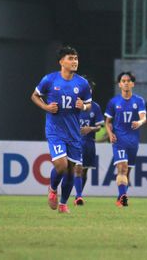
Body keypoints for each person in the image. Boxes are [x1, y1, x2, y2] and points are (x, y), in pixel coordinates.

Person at [31, 46, 92, 214]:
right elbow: (34, 96)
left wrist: (84, 105)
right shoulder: (50, 80)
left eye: (76, 58)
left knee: (72, 172)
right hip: (55, 131)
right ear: (61, 62)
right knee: (61, 165)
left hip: (73, 133)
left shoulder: (82, 83)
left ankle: (63, 204)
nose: (75, 61)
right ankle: (52, 189)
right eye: (71, 58)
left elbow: (89, 104)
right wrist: (46, 106)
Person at [104, 72, 146, 208]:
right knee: (122, 168)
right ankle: (123, 196)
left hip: (133, 141)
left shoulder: (139, 101)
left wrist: (139, 123)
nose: (126, 83)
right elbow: (108, 121)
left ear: (132, 84)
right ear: (119, 84)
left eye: (129, 81)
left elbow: (143, 117)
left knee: (128, 171)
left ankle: (120, 197)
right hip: (119, 141)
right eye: (123, 80)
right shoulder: (114, 102)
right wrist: (110, 134)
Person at [73, 77, 104, 206]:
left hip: (89, 143)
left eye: (90, 89)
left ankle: (78, 195)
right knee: (77, 169)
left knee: (84, 170)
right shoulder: (72, 105)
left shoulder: (95, 107)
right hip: (74, 142)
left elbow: (99, 127)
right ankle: (78, 197)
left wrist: (90, 128)